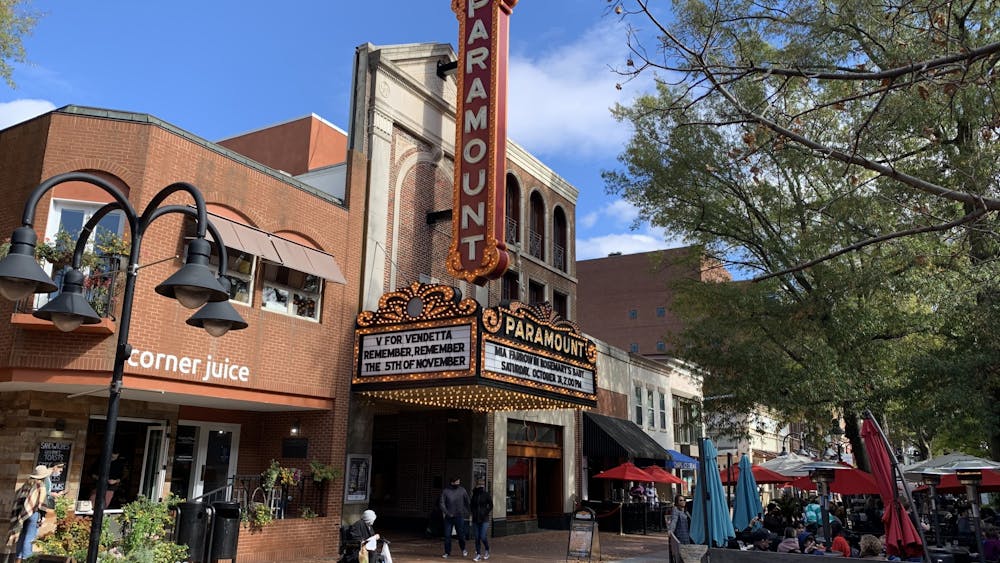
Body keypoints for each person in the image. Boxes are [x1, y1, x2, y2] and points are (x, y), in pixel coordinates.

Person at [6, 465, 51, 563]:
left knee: (22, 537)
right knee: (30, 538)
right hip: (34, 513)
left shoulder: (26, 484)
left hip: (23, 513)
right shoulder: (41, 485)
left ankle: (17, 560)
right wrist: (42, 517)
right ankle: (26, 560)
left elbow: (19, 499)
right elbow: (42, 502)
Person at [439, 476, 470, 558]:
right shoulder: (446, 491)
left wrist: (465, 512)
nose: (458, 484)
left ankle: (463, 549)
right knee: (447, 535)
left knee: (461, 535)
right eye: (456, 482)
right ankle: (447, 552)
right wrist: (447, 513)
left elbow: (467, 502)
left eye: (459, 482)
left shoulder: (462, 490)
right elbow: (441, 503)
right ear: (452, 482)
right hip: (449, 517)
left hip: (459, 516)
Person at [470, 479, 492, 561]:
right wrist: (473, 512)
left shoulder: (486, 494)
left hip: (484, 519)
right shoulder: (474, 495)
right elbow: (471, 505)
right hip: (476, 519)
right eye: (479, 484)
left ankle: (487, 549)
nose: (481, 485)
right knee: (476, 537)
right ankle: (478, 554)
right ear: (476, 484)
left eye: (482, 484)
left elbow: (491, 505)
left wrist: (485, 512)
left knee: (482, 536)